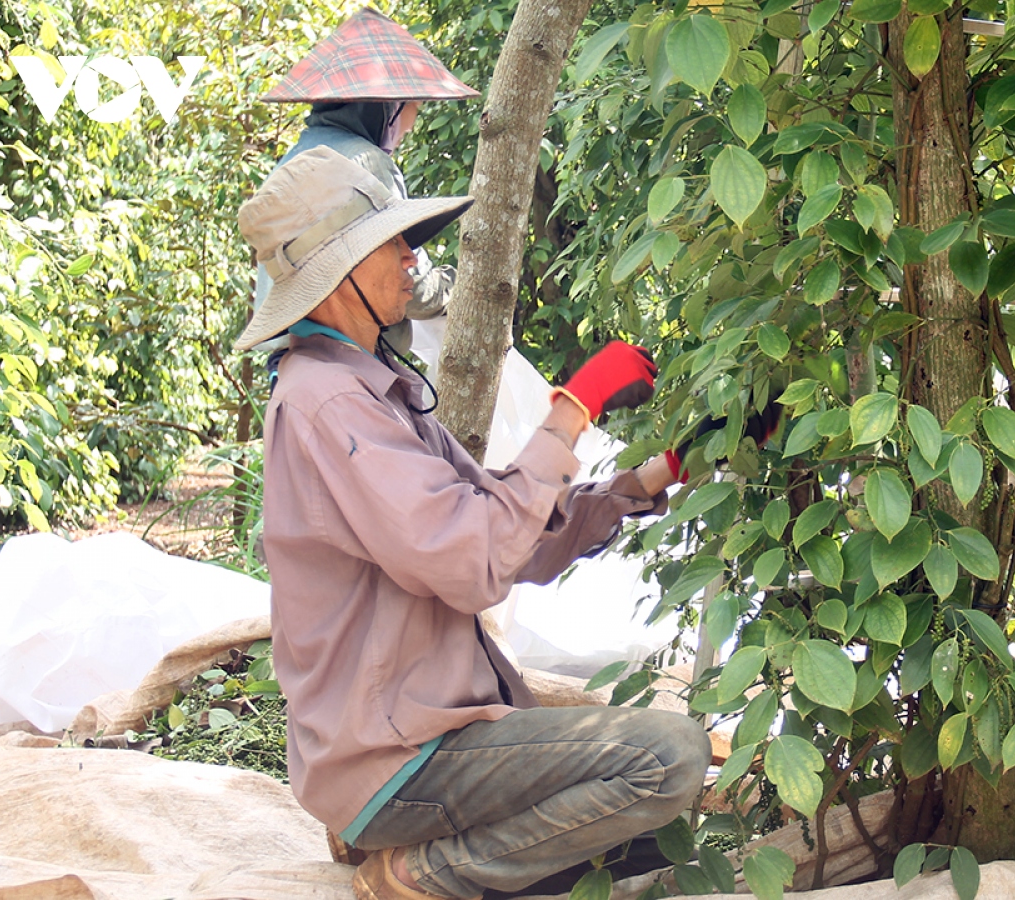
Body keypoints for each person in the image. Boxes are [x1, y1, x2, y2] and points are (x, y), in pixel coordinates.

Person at [233, 146, 710, 900]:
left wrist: (658, 477)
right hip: (399, 756)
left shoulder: (373, 390)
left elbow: (508, 532)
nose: (408, 255)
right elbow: (474, 558)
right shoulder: (329, 403)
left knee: (657, 839)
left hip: (422, 738)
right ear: (340, 270)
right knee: (670, 757)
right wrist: (570, 411)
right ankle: (420, 871)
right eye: (390, 241)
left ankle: (389, 836)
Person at [255, 6, 477, 363]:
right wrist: (455, 288)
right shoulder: (368, 164)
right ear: (389, 109)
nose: (411, 125)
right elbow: (407, 284)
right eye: (414, 108)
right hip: (346, 359)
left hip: (293, 359)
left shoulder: (296, 157)